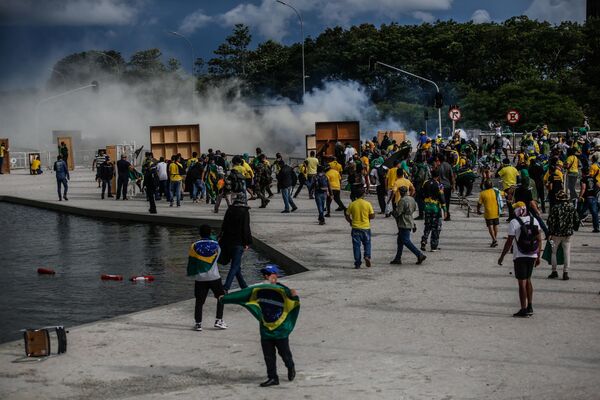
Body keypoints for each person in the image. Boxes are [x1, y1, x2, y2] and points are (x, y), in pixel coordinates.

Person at [220, 265, 299, 387]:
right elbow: (242, 295)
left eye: (269, 274)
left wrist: (295, 295)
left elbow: (294, 302)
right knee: (268, 356)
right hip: (265, 329)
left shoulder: (284, 290)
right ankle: (273, 378)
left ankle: (290, 366)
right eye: (265, 274)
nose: (266, 276)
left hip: (280, 331)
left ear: (275, 276)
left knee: (285, 354)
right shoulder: (258, 290)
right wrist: (224, 298)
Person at [498, 202, 542, 318]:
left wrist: (502, 256)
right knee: (528, 279)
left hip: (520, 255)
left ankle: (523, 309)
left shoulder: (514, 222)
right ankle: (530, 306)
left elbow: (509, 242)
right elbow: (539, 239)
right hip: (532, 254)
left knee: (521, 283)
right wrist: (538, 255)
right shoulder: (534, 220)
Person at [188, 225, 228, 332]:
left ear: (199, 233)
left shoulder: (194, 246)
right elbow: (219, 259)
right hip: (214, 277)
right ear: (210, 233)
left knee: (199, 301)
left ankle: (198, 324)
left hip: (200, 278)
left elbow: (192, 263)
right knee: (221, 297)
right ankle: (218, 320)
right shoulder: (216, 246)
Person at [220, 193, 252, 292]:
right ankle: (226, 287)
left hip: (228, 240)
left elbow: (224, 225)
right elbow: (245, 228)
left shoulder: (230, 209)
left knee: (236, 265)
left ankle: (243, 286)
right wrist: (247, 242)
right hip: (239, 242)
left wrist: (221, 238)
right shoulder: (245, 211)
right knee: (235, 265)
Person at [547, 190, 579, 280]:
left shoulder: (555, 208)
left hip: (555, 235)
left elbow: (550, 221)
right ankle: (565, 272)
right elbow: (577, 220)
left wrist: (549, 232)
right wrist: (574, 228)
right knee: (567, 252)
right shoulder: (571, 207)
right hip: (568, 235)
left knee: (553, 252)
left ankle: (554, 271)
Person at [391, 186, 427, 265]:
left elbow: (398, 213)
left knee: (406, 241)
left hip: (403, 222)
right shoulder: (412, 199)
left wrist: (393, 213)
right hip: (410, 219)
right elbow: (414, 209)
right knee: (400, 241)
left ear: (400, 192)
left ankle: (419, 254)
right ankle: (398, 258)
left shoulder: (402, 200)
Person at [345, 188, 374, 268]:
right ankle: (367, 256)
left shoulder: (352, 204)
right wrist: (367, 217)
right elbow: (372, 215)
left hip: (355, 228)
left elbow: (347, 215)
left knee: (356, 246)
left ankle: (357, 263)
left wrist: (350, 221)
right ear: (363, 195)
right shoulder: (367, 204)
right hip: (366, 227)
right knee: (367, 243)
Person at [421, 169, 446, 252]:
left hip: (427, 207)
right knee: (435, 227)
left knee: (427, 225)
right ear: (438, 176)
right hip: (435, 208)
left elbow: (421, 193)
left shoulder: (425, 182)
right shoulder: (440, 185)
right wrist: (445, 210)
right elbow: (442, 198)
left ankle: (424, 240)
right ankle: (433, 246)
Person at [477, 179, 502, 247]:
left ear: (485, 186)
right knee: (495, 226)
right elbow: (503, 194)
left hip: (488, 213)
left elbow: (479, 203)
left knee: (490, 226)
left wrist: (478, 210)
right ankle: (494, 239)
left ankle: (494, 240)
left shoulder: (483, 193)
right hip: (496, 212)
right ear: (491, 185)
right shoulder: (496, 191)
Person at [579, 166, 600, 233]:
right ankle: (596, 228)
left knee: (581, 212)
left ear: (583, 173)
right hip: (593, 198)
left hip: (587, 198)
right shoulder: (593, 178)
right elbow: (599, 186)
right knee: (595, 213)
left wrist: (580, 196)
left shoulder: (583, 179)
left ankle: (574, 225)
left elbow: (583, 188)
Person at [437, 154, 455, 221]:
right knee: (447, 202)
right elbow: (452, 177)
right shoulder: (448, 165)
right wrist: (453, 186)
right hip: (448, 186)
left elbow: (437, 177)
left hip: (441, 186)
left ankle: (439, 214)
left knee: (439, 200)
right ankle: (447, 215)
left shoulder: (439, 167)